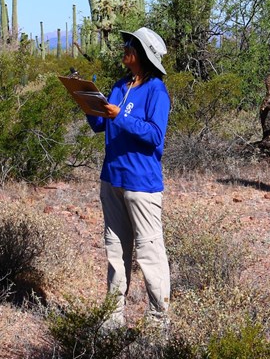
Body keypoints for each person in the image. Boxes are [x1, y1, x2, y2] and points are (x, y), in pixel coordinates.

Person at [86, 27, 171, 328]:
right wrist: (88, 103)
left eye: (129, 44)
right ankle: (112, 320)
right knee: (115, 249)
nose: (124, 47)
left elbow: (154, 136)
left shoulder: (156, 91)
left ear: (142, 53)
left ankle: (158, 322)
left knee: (149, 253)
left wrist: (119, 115)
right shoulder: (119, 86)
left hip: (141, 184)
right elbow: (100, 125)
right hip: (112, 179)